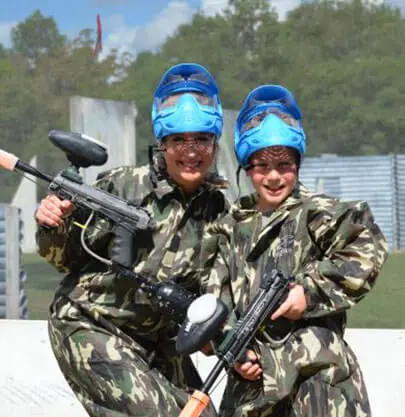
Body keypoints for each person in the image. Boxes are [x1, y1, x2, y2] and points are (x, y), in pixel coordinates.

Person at [35, 62, 229, 417]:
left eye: (201, 139)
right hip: (92, 323)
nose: (191, 151)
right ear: (163, 143)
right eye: (179, 141)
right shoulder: (125, 186)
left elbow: (218, 290)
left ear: (215, 144)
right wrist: (52, 224)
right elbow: (64, 259)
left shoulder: (220, 211)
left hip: (158, 343)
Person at [204, 84, 388, 417]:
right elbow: (215, 298)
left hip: (316, 379)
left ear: (298, 163)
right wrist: (231, 347)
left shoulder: (314, 212)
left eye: (284, 164)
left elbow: (366, 243)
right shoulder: (229, 226)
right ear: (246, 168)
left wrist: (309, 291)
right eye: (261, 166)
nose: (273, 176)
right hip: (254, 386)